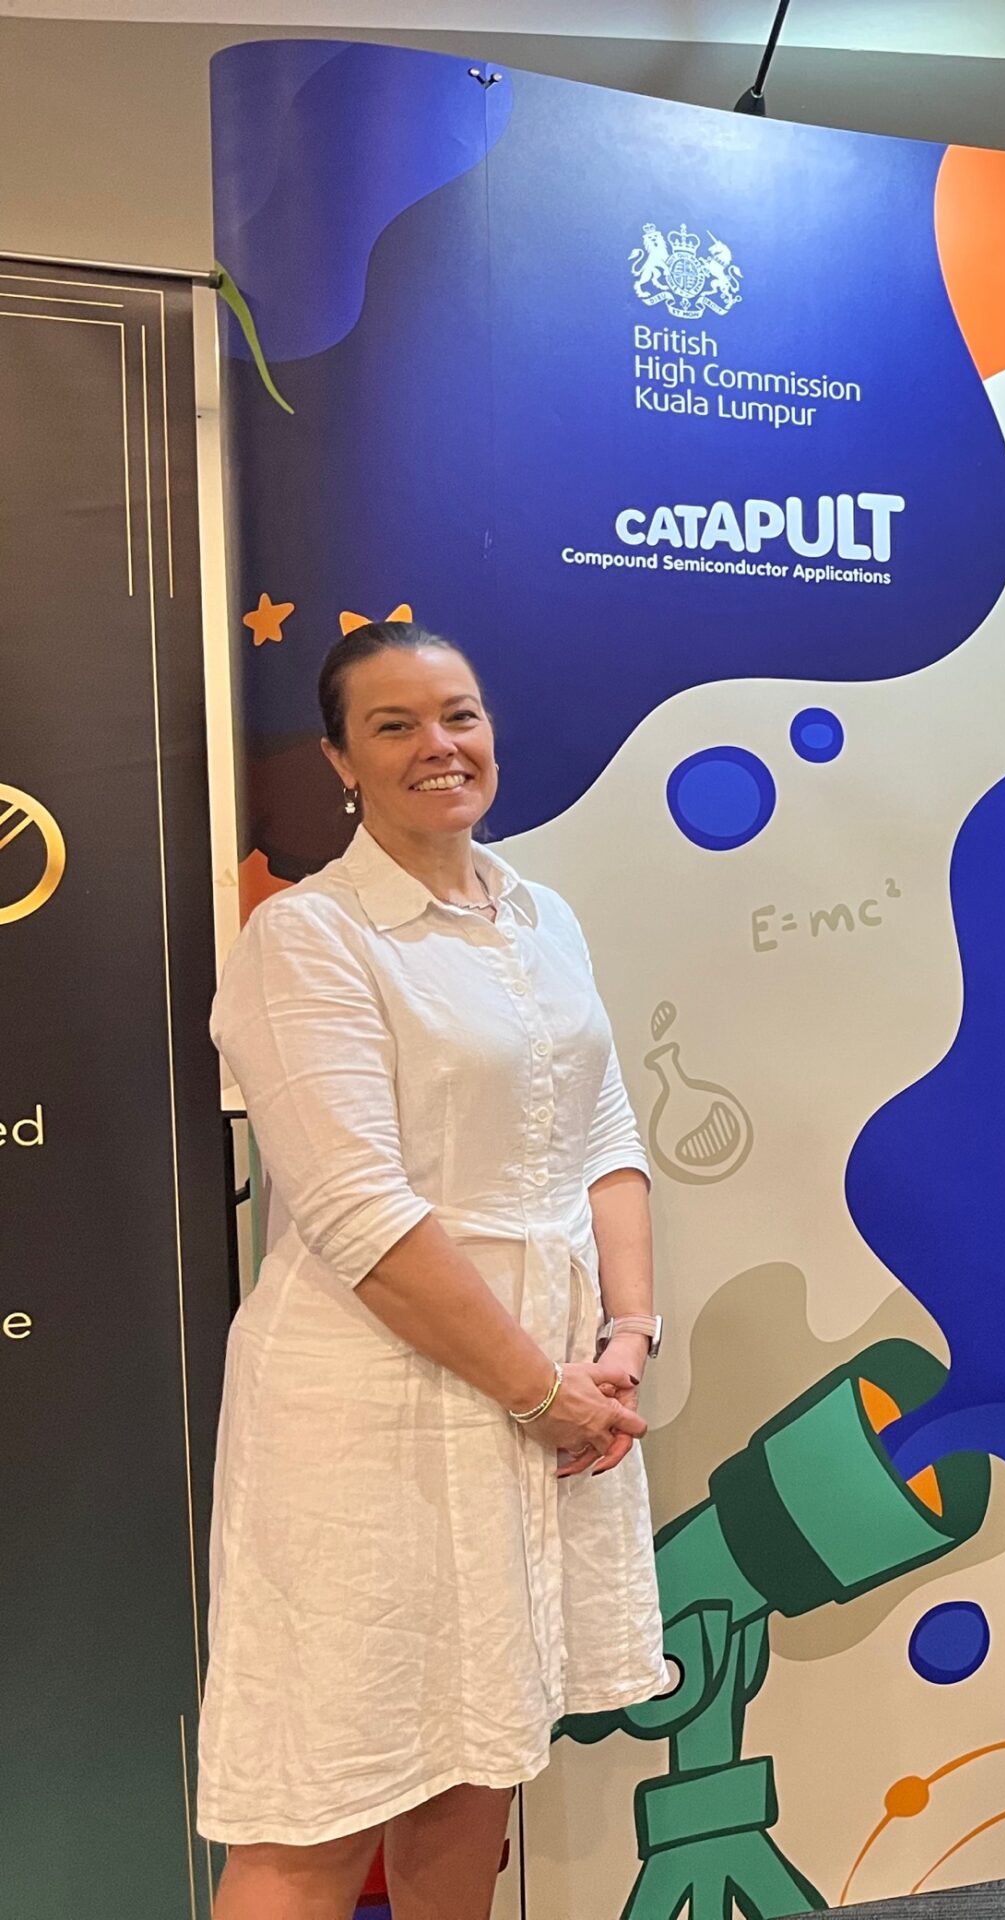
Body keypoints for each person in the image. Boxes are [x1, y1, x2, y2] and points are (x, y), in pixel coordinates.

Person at [201, 622, 669, 1919]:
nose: (437, 747)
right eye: (395, 725)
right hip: (373, 1417)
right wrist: (542, 1392)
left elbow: (608, 1136)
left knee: (478, 1767)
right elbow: (361, 1217)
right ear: (340, 759)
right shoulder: (310, 939)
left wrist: (627, 1335)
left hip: (543, 1404)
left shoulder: (541, 916)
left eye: (456, 715)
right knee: (320, 1791)